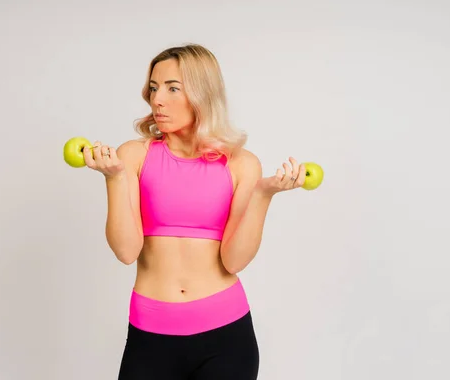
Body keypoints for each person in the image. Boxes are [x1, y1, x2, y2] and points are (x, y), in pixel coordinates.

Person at [83, 44, 306, 380]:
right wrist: (114, 179)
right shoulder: (133, 156)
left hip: (226, 337)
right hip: (150, 334)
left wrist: (263, 194)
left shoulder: (242, 164)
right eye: (154, 88)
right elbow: (126, 251)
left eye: (173, 88)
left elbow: (233, 261)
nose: (158, 99)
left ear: (202, 93)